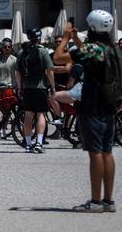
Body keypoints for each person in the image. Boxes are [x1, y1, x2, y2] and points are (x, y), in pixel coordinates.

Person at [54, 12, 117, 213]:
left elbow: (58, 57)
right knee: (107, 152)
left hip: (92, 107)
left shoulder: (92, 49)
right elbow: (89, 54)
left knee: (95, 153)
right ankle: (108, 201)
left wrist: (65, 38)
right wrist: (76, 40)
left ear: (91, 28)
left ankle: (96, 201)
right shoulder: (112, 49)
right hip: (110, 107)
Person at [16, 28, 55, 154]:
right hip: (40, 87)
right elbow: (49, 70)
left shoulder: (22, 52)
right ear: (39, 37)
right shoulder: (43, 51)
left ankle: (28, 144)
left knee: (28, 115)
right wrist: (53, 86)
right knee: (40, 115)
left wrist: (20, 87)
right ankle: (38, 143)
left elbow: (18, 73)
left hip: (27, 88)